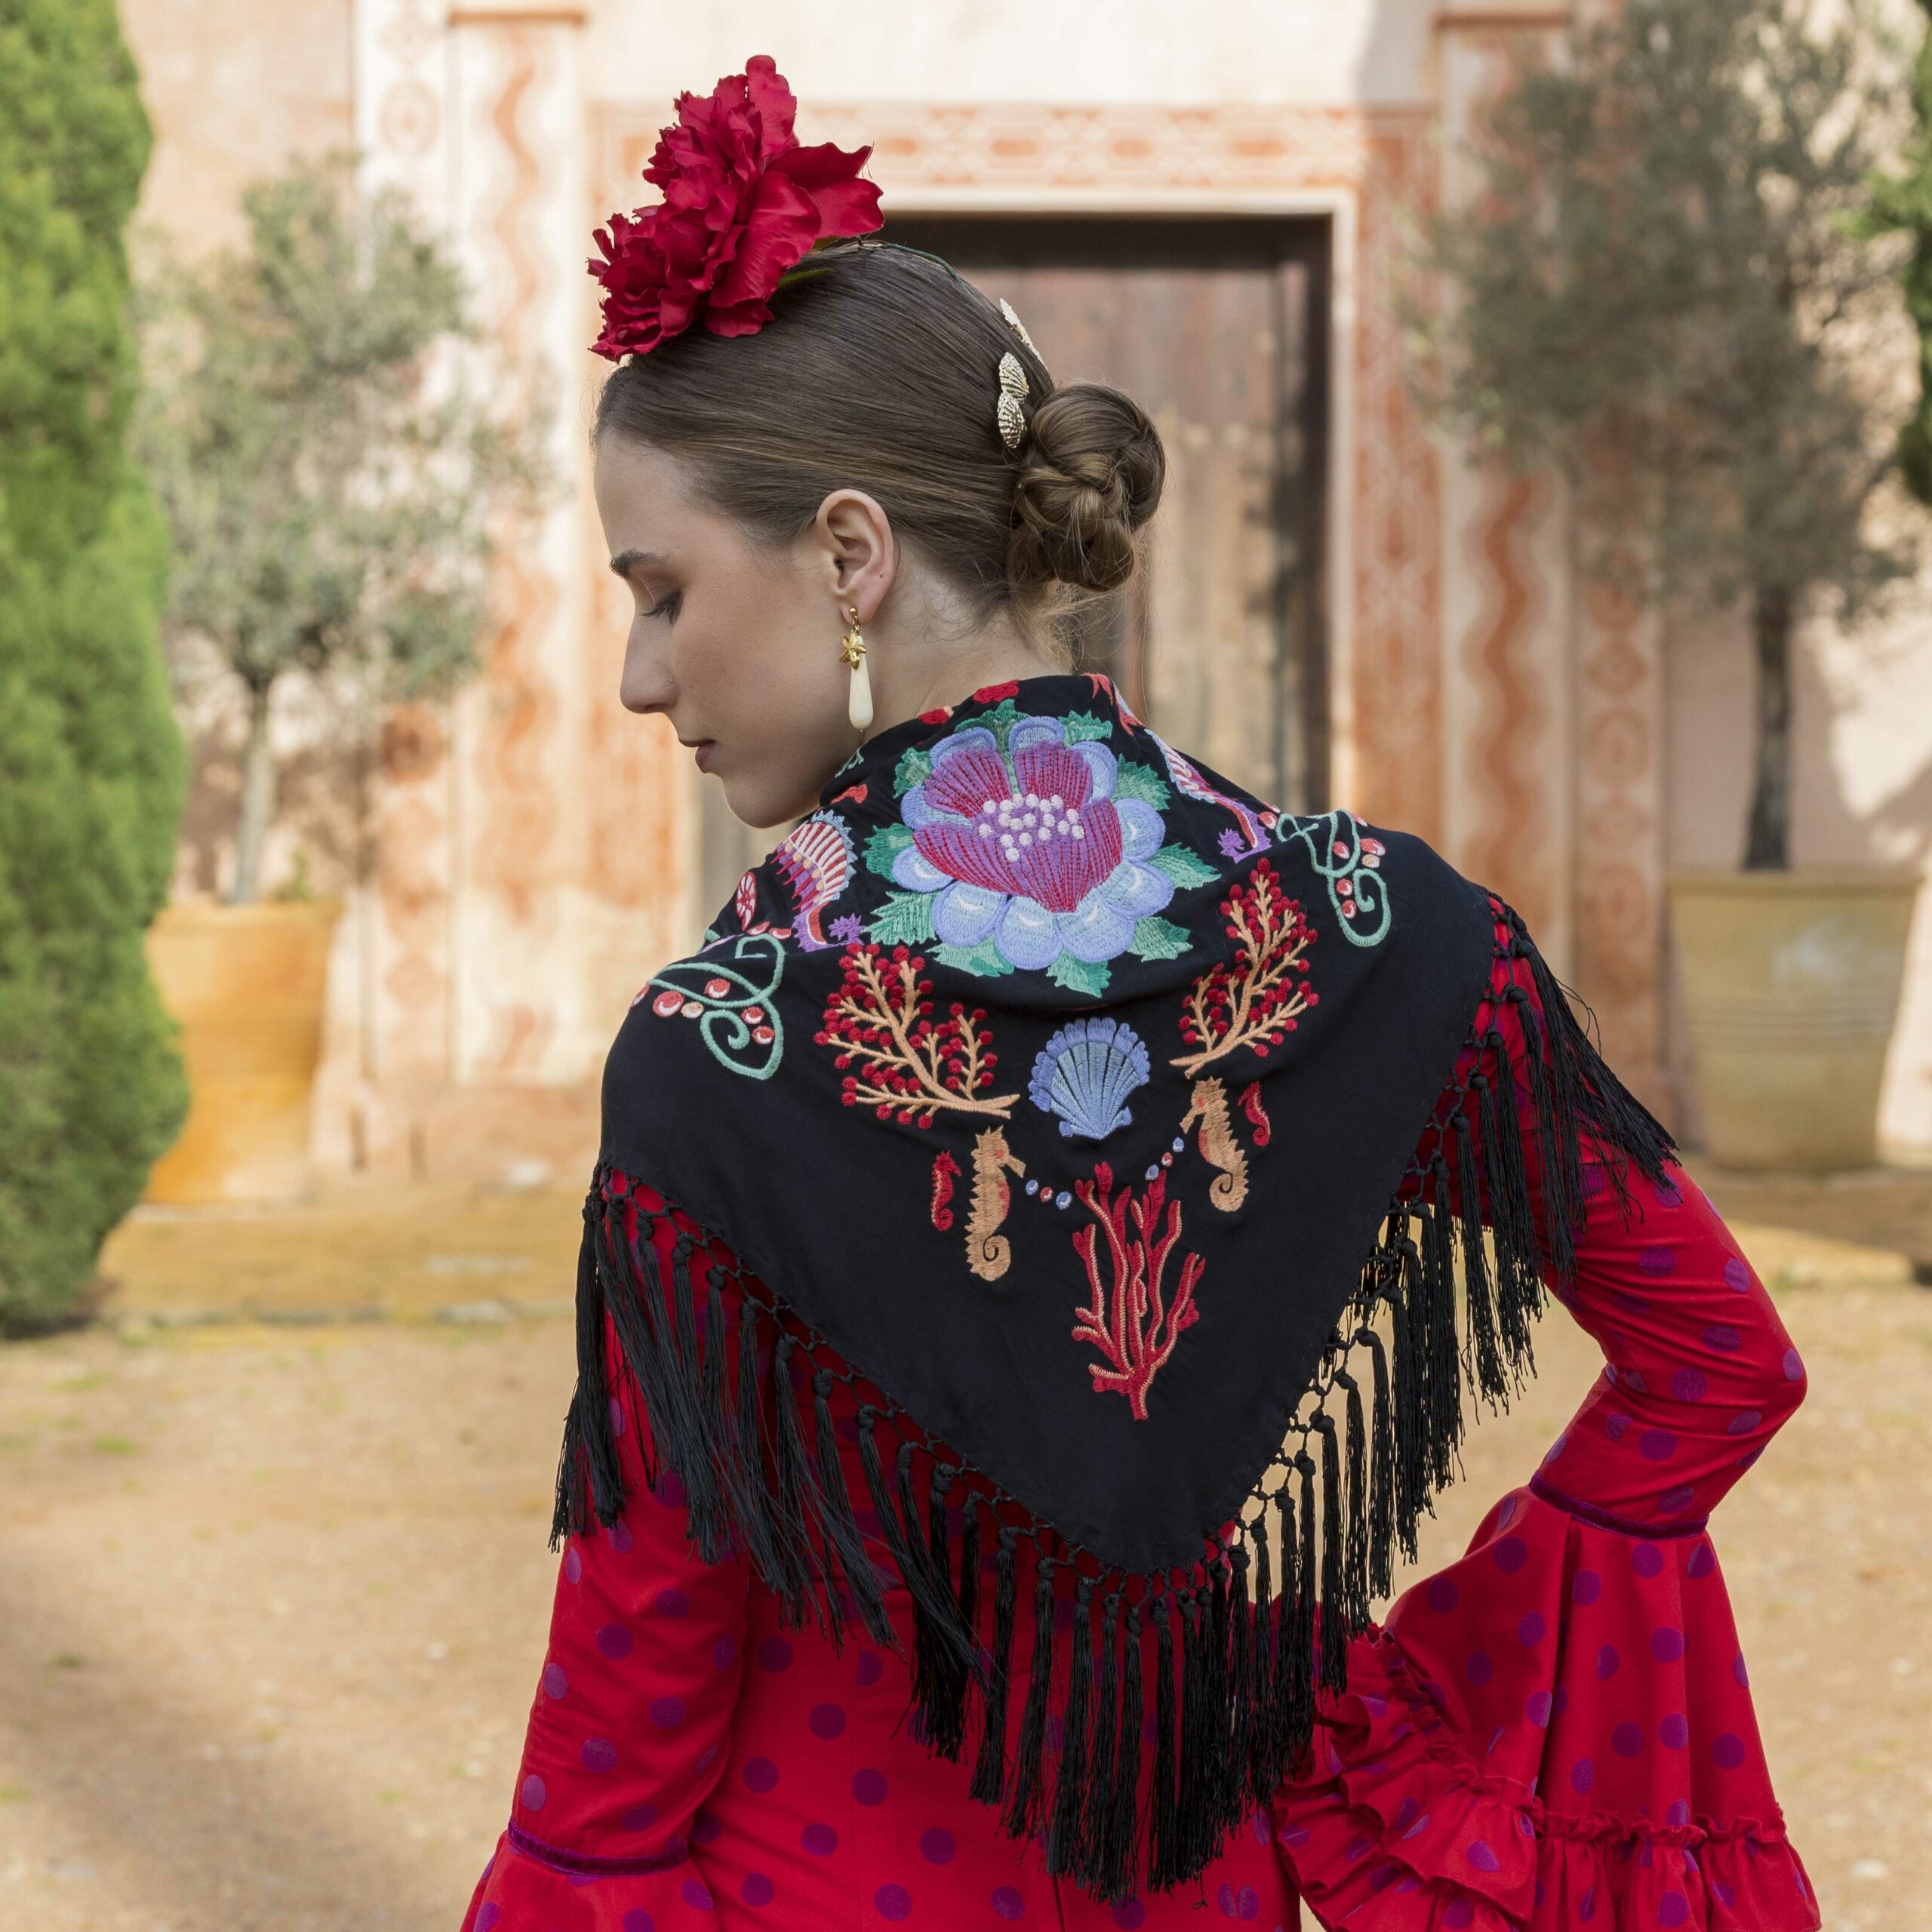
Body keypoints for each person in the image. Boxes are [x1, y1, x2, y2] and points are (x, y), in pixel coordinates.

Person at [460, 57, 1817, 1932]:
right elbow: (1717, 1363)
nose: (638, 672)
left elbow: (630, 1708)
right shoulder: (1387, 938)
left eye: (661, 589)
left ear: (848, 552)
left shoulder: (732, 1041)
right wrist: (1372, 1722)